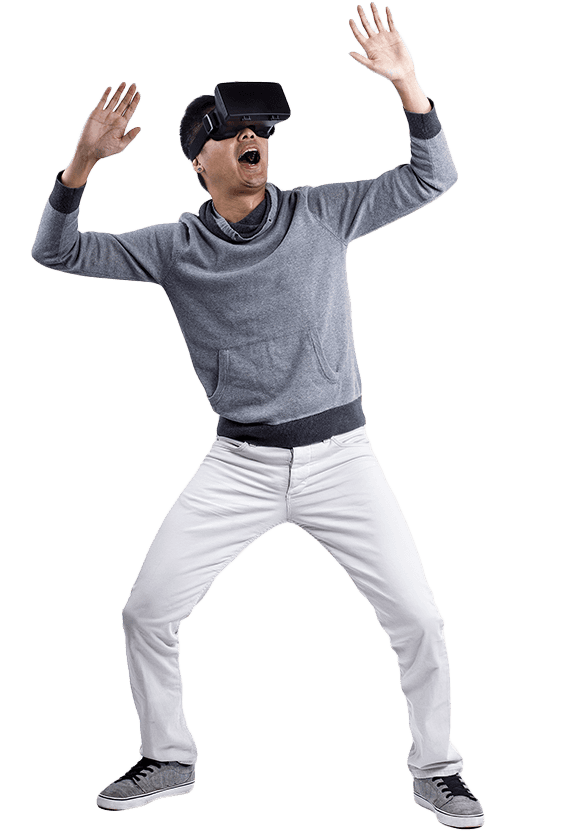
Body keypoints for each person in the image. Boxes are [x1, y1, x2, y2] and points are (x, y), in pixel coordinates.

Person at [31, 4, 485, 826]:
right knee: (145, 610)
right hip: (236, 464)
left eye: (264, 130)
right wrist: (81, 164)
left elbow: (433, 178)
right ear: (198, 159)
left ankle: (438, 768)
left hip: (342, 456)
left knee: (419, 616)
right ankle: (168, 755)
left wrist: (408, 87)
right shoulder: (171, 247)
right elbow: (54, 251)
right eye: (234, 130)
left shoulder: (322, 211)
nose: (255, 138)